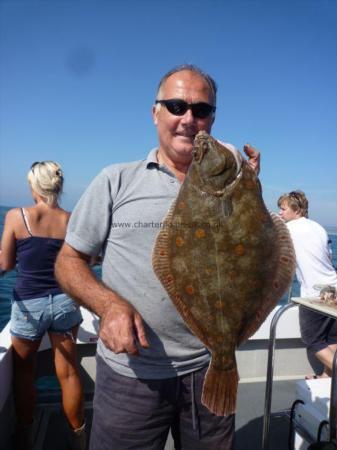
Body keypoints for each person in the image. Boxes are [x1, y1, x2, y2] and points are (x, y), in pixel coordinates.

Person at [55, 64, 260, 450]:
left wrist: (246, 186)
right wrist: (108, 304)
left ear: (212, 119)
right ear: (155, 113)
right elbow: (68, 260)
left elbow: (257, 252)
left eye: (201, 110)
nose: (188, 119)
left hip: (209, 367)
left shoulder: (237, 183)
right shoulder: (116, 180)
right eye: (176, 105)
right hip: (132, 374)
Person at [0, 161, 85, 450]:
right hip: (64, 303)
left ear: (34, 186)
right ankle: (79, 435)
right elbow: (83, 262)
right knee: (69, 372)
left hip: (28, 305)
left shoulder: (16, 216)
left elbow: (7, 264)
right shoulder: (72, 219)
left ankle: (24, 433)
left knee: (25, 373)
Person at [278, 190, 337, 379]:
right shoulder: (319, 227)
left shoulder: (289, 229)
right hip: (334, 287)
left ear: (296, 210)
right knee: (332, 338)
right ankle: (326, 378)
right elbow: (328, 255)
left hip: (316, 294)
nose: (280, 213)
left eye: (283, 209)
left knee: (312, 340)